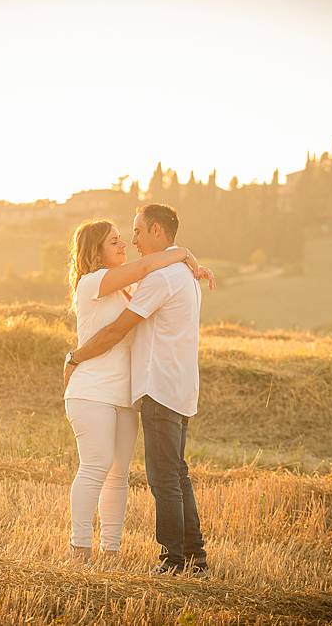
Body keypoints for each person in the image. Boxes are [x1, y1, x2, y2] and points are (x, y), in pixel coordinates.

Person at [64, 204, 211, 575]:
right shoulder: (92, 283)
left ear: (157, 230)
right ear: (95, 252)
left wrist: (185, 257)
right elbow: (114, 331)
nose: (127, 243)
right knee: (96, 467)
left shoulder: (134, 286)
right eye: (115, 240)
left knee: (120, 475)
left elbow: (148, 271)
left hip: (127, 392)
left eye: (130, 235)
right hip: (94, 389)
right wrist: (75, 357)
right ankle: (80, 550)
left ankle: (112, 553)